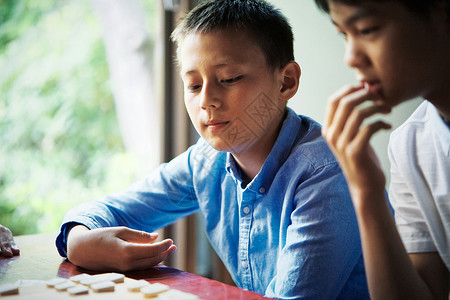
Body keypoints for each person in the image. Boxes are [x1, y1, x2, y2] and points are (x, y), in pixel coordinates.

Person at [56, 0, 370, 298]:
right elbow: (109, 211)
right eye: (193, 85)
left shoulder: (325, 173)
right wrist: (78, 239)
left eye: (229, 78)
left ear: (285, 82)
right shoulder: (207, 162)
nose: (206, 100)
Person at [314, 0, 450, 299]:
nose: (351, 58)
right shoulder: (409, 146)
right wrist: (365, 190)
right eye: (344, 35)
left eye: (367, 29)